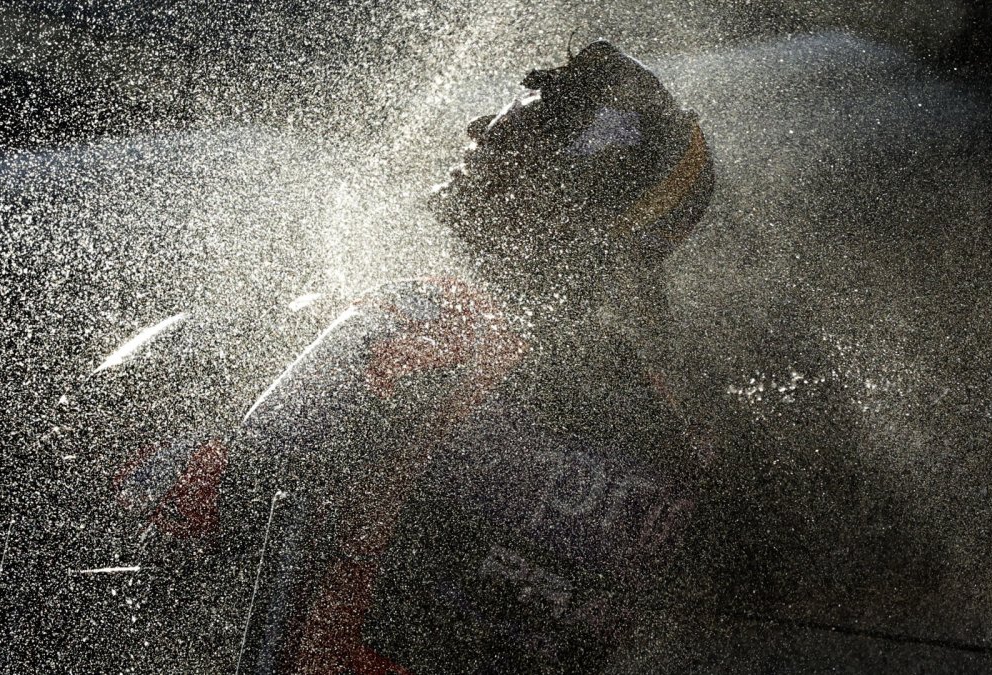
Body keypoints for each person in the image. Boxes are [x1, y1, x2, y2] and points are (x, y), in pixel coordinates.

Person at [115, 40, 715, 673]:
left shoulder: (425, 326)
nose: (477, 127)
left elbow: (226, 498)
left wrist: (149, 435)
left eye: (516, 126)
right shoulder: (670, 438)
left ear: (556, 196)